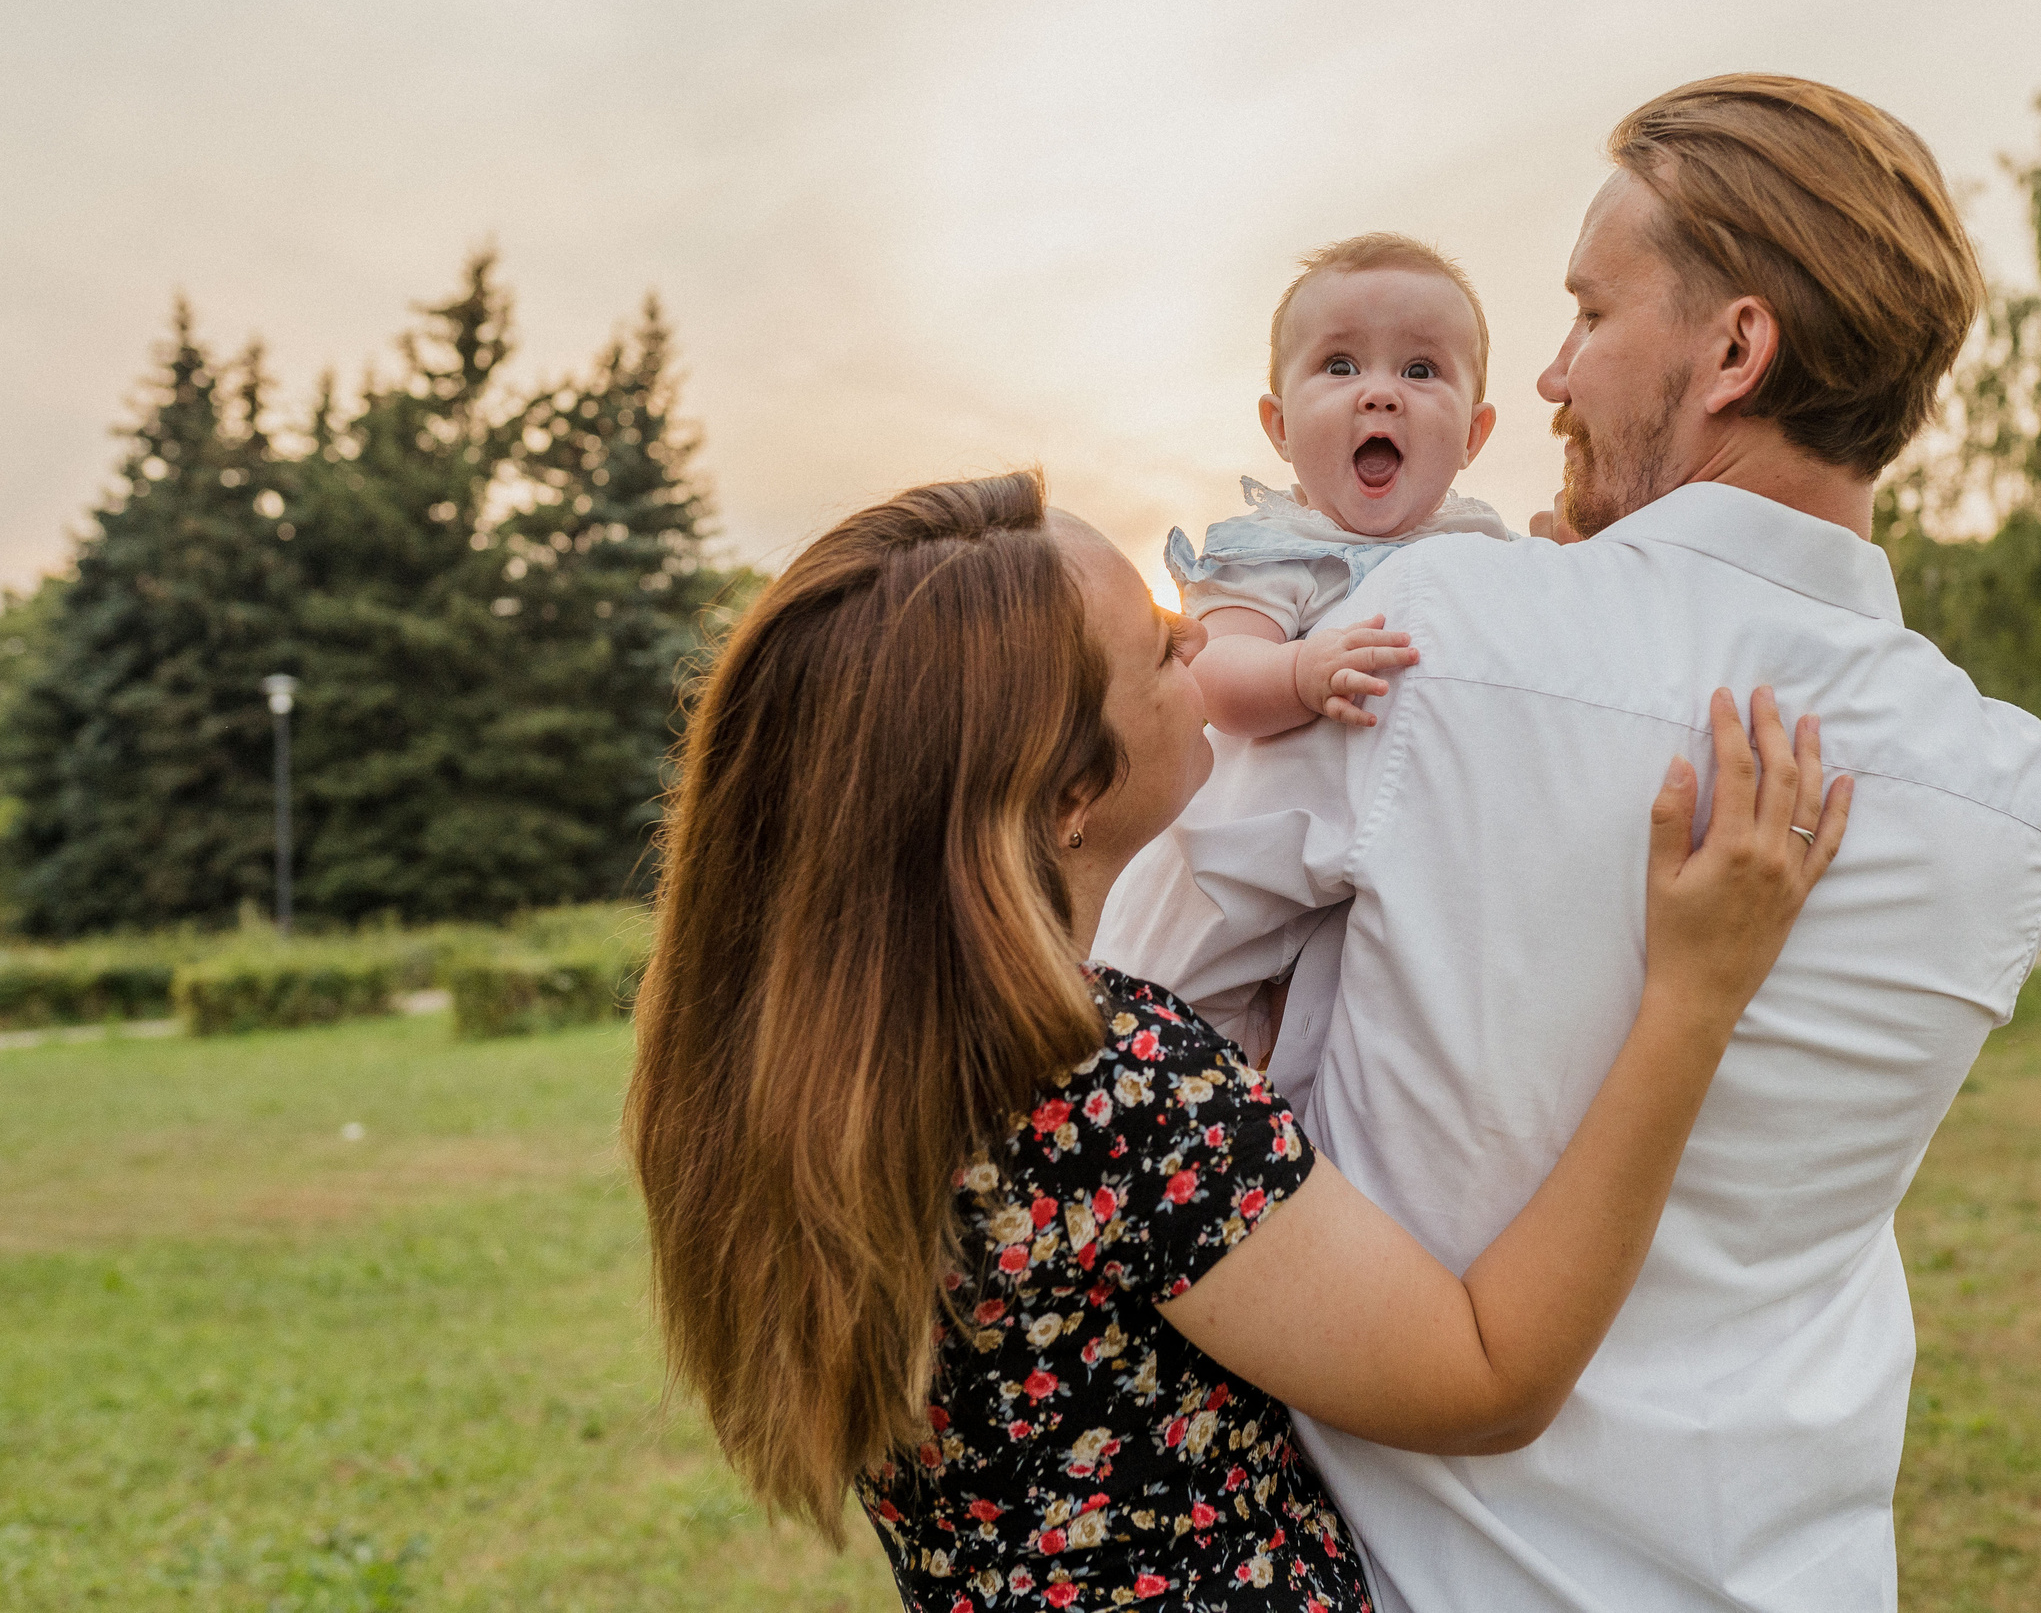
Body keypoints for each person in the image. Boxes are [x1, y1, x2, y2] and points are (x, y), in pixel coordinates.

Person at [1094, 75, 2041, 1611]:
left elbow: (1121, 1008)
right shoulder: (2010, 788)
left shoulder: (1436, 638)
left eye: (1589, 315)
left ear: (1733, 352)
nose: (1546, 378)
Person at [622, 469, 1850, 1610]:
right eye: (1159, 648)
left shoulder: (829, 1067)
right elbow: (1490, 1377)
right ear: (1065, 800)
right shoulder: (1105, 1090)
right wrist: (1695, 993)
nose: (1201, 637)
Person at [1168, 233, 1508, 738]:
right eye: (1340, 366)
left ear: (1471, 436)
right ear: (1281, 426)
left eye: (1419, 370)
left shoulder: (1483, 540)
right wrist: (1297, 674)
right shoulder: (1281, 554)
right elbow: (1215, 676)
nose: (1379, 394)